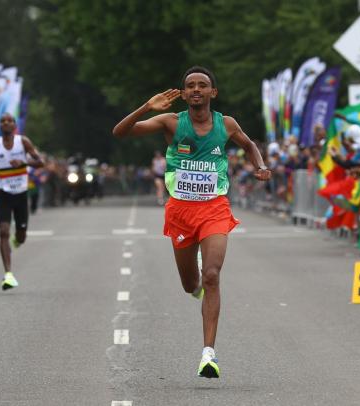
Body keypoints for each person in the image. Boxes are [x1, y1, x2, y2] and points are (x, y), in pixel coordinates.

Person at [112, 66, 271, 378]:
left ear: (213, 92)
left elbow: (250, 145)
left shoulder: (226, 124)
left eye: (203, 85)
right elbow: (120, 132)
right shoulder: (171, 122)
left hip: (214, 209)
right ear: (183, 94)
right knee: (191, 284)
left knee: (212, 275)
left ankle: (207, 354)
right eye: (190, 86)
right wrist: (147, 106)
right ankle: (195, 284)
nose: (196, 89)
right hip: (181, 213)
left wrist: (261, 165)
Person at [0, 113, 44, 290]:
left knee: (21, 235)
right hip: (3, 194)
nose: (6, 123)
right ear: (0, 126)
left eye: (9, 121)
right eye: (3, 121)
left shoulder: (23, 142)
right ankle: (9, 275)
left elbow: (40, 162)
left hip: (21, 194)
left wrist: (23, 162)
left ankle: (18, 239)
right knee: (3, 231)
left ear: (14, 125)